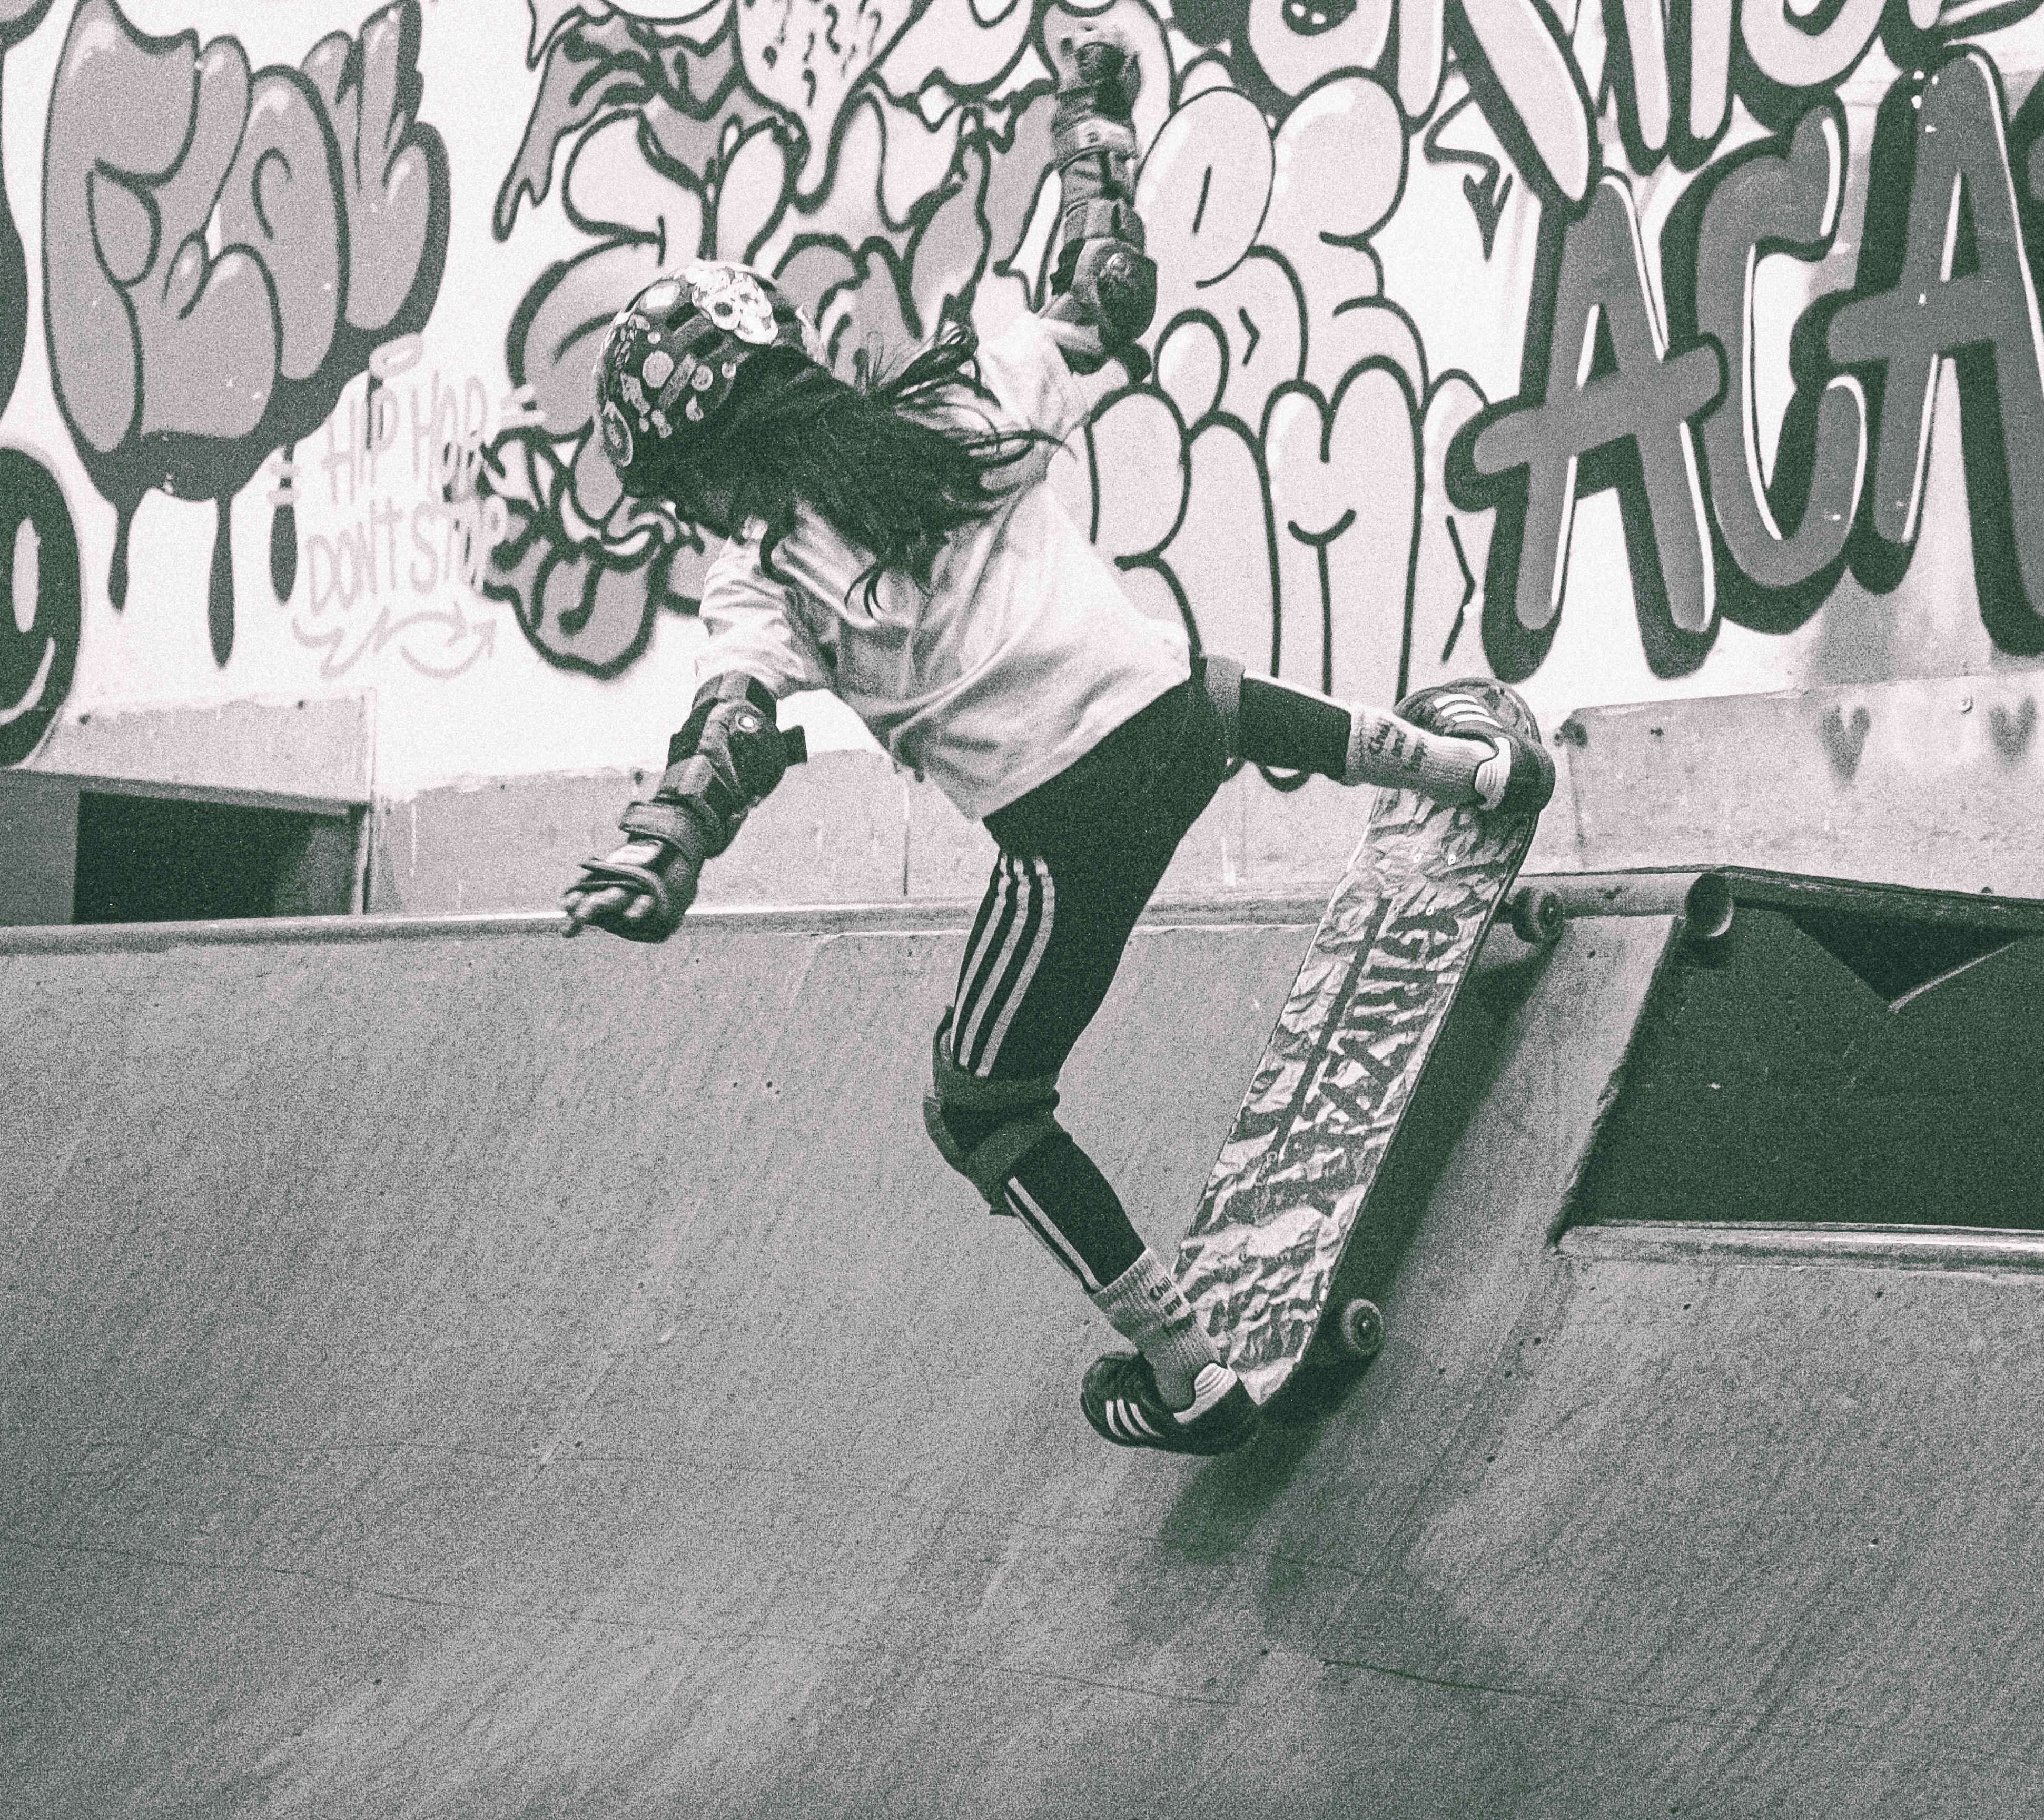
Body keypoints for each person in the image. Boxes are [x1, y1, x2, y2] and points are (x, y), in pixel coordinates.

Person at [560, 26, 1551, 1456]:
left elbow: (729, 726)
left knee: (981, 1105)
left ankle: (1186, 1372)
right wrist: (1095, 127)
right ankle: (1477, 770)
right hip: (1176, 721)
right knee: (1213, 689)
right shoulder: (959, 399)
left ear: (700, 463)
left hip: (1064, 834)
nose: (700, 512)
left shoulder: (757, 573)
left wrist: (664, 852)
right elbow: (1103, 291)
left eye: (689, 485)